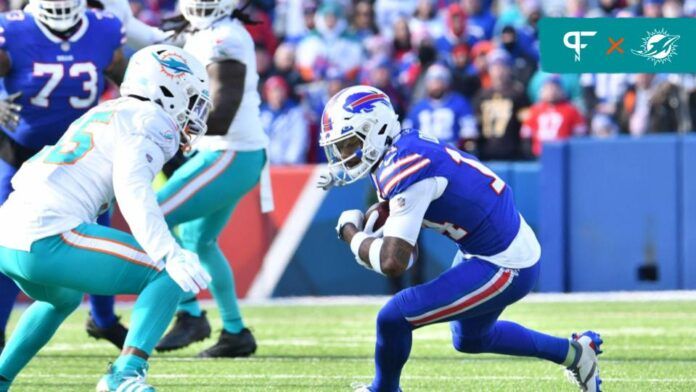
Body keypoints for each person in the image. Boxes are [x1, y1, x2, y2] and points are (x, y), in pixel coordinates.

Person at [317, 85, 602, 392]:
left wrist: (352, 234)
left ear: (376, 130)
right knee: (471, 339)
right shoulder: (400, 147)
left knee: (393, 317)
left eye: (348, 144)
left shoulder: (406, 166)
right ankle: (577, 354)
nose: (344, 156)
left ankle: (383, 389)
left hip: (505, 263)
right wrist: (375, 220)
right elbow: (402, 227)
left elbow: (394, 261)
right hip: (486, 246)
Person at [0, 44, 212, 392]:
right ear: (167, 88)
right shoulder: (151, 119)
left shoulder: (112, 109)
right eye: (190, 98)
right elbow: (132, 187)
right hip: (47, 233)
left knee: (63, 298)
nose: (193, 110)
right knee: (167, 273)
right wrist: (167, 251)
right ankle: (124, 374)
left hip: (9, 233)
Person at [0, 0, 129, 352]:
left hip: (81, 158)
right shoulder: (11, 30)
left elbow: (128, 80)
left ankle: (103, 320)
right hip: (19, 154)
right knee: (7, 241)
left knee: (99, 239)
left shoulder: (103, 27)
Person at [148, 0, 273, 358]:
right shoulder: (198, 32)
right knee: (200, 241)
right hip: (226, 153)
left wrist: (162, 123)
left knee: (152, 214)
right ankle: (235, 332)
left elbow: (221, 116)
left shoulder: (225, 37)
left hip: (230, 150)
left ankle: (189, 313)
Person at [521, 78, 586, 157]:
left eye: (555, 89)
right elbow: (526, 134)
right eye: (548, 89)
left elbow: (579, 134)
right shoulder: (535, 110)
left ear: (561, 91)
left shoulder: (572, 110)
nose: (551, 92)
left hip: (562, 153)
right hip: (539, 153)